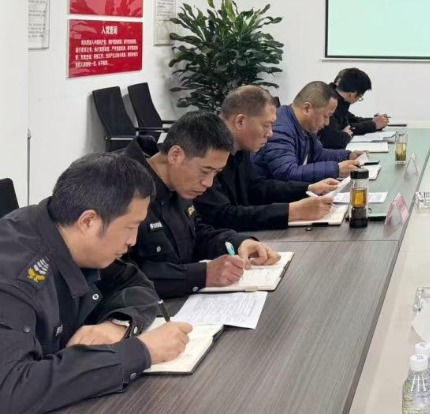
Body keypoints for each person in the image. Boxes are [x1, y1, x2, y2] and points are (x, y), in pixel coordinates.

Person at [0, 154, 193, 413]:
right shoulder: (14, 277)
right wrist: (141, 352)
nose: (133, 241)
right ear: (88, 221)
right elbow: (11, 391)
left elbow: (136, 283)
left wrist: (117, 324)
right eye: (131, 227)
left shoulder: (70, 237)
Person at [121, 111, 281, 298]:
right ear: (175, 155)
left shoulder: (177, 182)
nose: (209, 183)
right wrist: (202, 275)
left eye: (216, 173)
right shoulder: (122, 188)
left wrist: (239, 242)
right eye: (205, 171)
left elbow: (196, 233)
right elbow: (121, 275)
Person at [195, 85, 340, 231]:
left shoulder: (240, 148)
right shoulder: (203, 151)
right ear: (240, 122)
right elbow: (222, 216)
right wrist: (292, 211)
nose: (270, 133)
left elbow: (259, 187)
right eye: (266, 125)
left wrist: (308, 189)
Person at [254, 81, 365, 182]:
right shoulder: (280, 129)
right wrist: (336, 169)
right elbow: (287, 172)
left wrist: (348, 156)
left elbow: (317, 154)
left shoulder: (305, 125)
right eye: (326, 116)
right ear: (307, 108)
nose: (327, 123)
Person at [318, 68, 391, 149]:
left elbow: (352, 121)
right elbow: (335, 139)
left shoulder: (339, 100)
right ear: (352, 94)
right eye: (360, 97)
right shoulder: (329, 102)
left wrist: (374, 121)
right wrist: (373, 125)